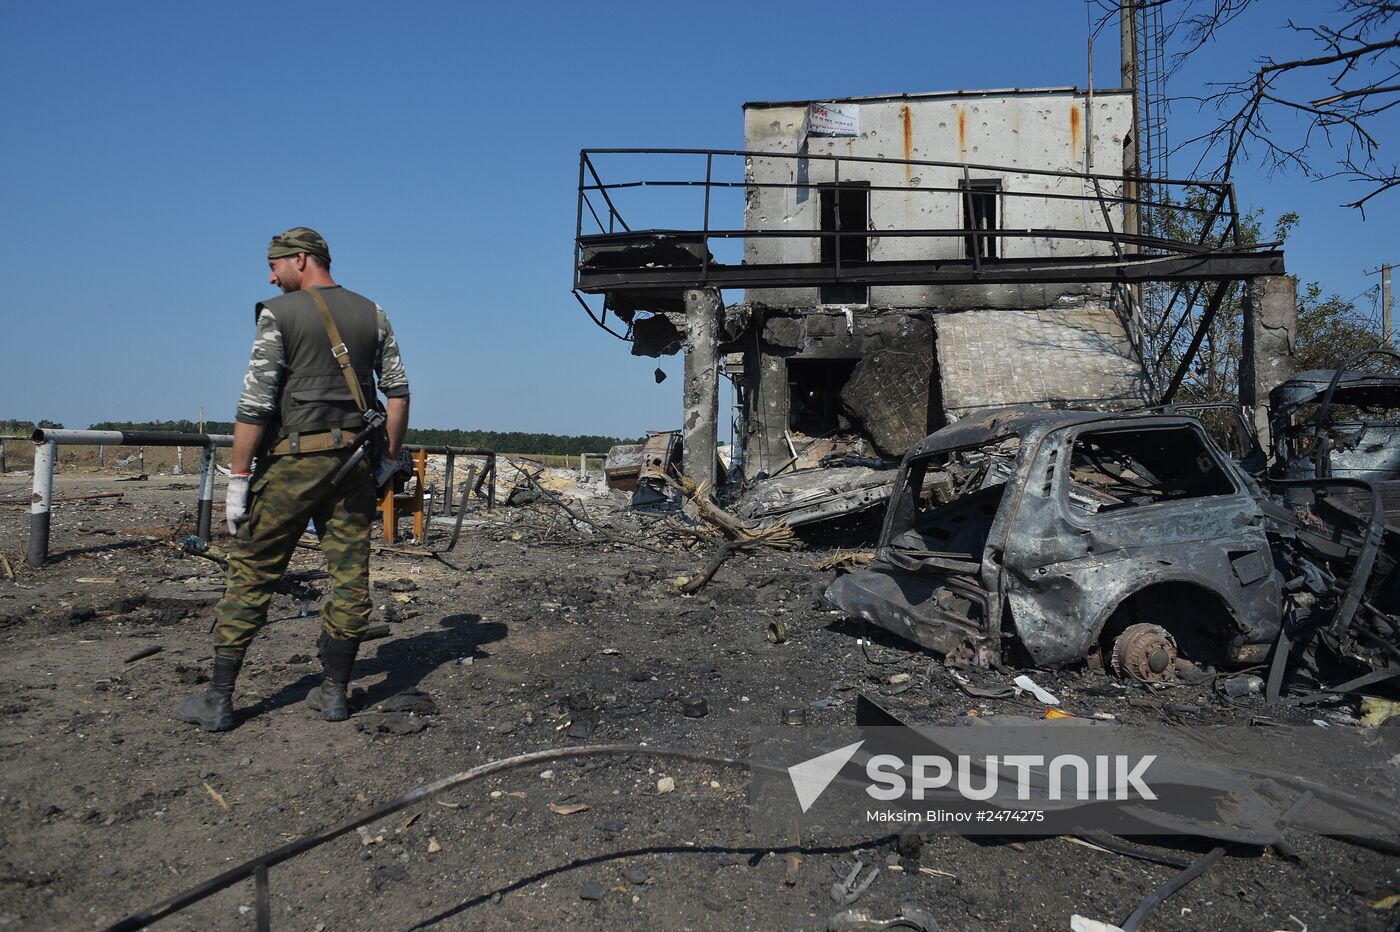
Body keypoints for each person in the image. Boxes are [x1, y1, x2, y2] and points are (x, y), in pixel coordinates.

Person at [178, 227, 410, 732]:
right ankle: (334, 695)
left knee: (252, 572)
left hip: (290, 468)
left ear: (301, 260)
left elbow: (255, 405)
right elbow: (397, 393)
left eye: (274, 264)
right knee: (351, 578)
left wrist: (238, 480)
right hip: (353, 468)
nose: (270, 274)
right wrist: (389, 460)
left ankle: (218, 700)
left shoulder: (276, 314)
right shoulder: (374, 312)